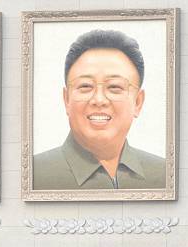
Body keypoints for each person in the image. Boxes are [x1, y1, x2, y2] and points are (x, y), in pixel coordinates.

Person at [33, 29, 165, 191]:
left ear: (138, 102)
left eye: (114, 87)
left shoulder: (164, 174)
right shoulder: (33, 175)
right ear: (66, 99)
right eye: (86, 86)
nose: (99, 100)